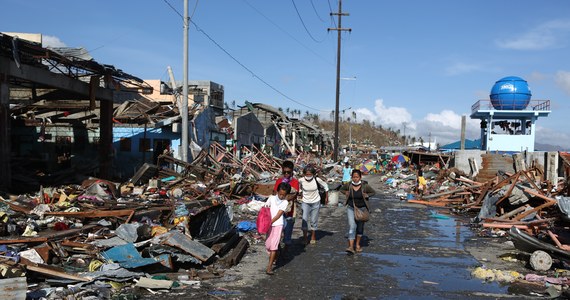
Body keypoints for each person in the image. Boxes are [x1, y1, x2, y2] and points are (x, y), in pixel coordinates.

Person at [339, 169, 376, 254]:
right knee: (352, 226)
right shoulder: (349, 185)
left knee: (360, 227)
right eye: (354, 177)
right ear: (351, 177)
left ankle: (358, 244)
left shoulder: (364, 186)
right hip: (351, 207)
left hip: (362, 209)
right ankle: (351, 247)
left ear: (360, 177)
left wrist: (367, 195)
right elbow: (341, 189)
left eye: (357, 177)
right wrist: (346, 193)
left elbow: (373, 192)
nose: (355, 179)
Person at [298, 165, 328, 245]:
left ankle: (313, 236)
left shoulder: (317, 180)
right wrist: (300, 193)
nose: (308, 176)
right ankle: (305, 237)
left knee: (313, 220)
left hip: (316, 201)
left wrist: (326, 198)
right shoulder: (301, 180)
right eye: (307, 174)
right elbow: (299, 188)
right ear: (304, 174)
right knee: (304, 219)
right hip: (305, 202)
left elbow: (326, 186)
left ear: (313, 174)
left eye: (310, 174)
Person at [265, 182, 291, 275]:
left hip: (278, 224)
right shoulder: (271, 198)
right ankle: (276, 254)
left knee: (273, 246)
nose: (281, 196)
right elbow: (266, 208)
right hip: (269, 225)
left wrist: (270, 222)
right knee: (268, 244)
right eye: (280, 194)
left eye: (283, 195)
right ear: (277, 191)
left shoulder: (285, 202)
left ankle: (269, 267)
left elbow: (278, 215)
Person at [273, 160, 299, 249]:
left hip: (289, 211)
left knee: (288, 232)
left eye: (289, 172)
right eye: (285, 172)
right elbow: (274, 194)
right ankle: (277, 250)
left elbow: (294, 194)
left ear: (292, 171)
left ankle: (286, 251)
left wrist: (283, 197)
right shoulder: (279, 181)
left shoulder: (295, 182)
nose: (286, 174)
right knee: (277, 232)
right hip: (278, 211)